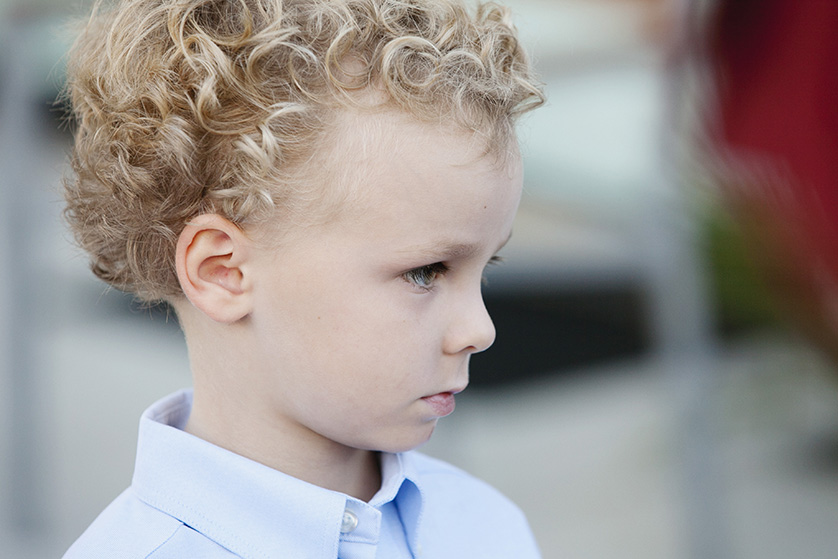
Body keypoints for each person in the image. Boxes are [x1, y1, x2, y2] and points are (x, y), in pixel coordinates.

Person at [60, 0, 544, 557]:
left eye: (487, 267)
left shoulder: (483, 525)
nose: (480, 330)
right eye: (423, 272)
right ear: (223, 272)